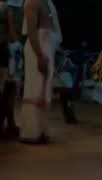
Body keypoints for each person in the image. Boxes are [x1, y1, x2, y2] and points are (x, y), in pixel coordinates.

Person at [20, 0, 62, 144]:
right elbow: (32, 32)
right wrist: (39, 55)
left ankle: (41, 130)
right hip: (36, 49)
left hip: (47, 48)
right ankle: (31, 133)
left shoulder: (48, 3)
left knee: (44, 92)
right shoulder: (32, 2)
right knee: (34, 89)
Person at [0, 0, 18, 138]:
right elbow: (12, 37)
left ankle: (9, 125)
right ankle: (10, 126)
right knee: (8, 90)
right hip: (2, 54)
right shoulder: (5, 9)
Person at [53, 49, 78, 124]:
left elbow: (73, 68)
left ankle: (70, 117)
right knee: (66, 101)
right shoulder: (61, 60)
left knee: (66, 101)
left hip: (64, 81)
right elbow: (58, 70)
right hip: (63, 81)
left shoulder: (64, 60)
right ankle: (69, 117)